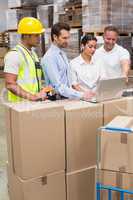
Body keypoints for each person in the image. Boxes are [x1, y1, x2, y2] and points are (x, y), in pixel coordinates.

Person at [41, 22, 94, 100]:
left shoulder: (62, 54)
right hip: (56, 99)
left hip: (66, 98)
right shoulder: (50, 57)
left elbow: (67, 80)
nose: (67, 41)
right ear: (55, 37)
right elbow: (58, 86)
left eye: (68, 38)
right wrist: (81, 95)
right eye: (64, 38)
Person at [4, 17, 48, 102]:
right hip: (20, 106)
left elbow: (32, 80)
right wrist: (33, 97)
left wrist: (41, 90)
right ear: (26, 36)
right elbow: (10, 84)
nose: (39, 38)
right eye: (36, 35)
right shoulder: (14, 55)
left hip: (32, 104)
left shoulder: (33, 54)